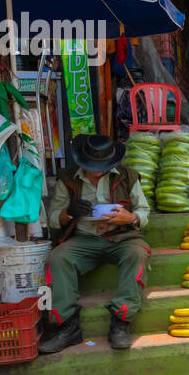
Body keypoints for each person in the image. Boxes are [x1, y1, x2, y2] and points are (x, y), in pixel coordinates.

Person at [40, 135, 151, 353]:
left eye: (102, 167)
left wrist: (130, 218)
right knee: (57, 259)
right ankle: (67, 326)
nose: (97, 171)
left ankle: (121, 323)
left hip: (122, 238)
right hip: (83, 239)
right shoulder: (68, 178)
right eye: (93, 166)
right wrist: (68, 212)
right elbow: (52, 218)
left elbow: (143, 211)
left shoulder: (128, 176)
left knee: (138, 254)